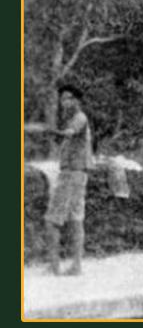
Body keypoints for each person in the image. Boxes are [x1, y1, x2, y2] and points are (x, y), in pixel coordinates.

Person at [44, 83, 94, 275]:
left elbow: (69, 134)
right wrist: (54, 134)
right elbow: (65, 139)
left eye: (68, 98)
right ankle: (76, 266)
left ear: (77, 100)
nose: (64, 102)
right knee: (75, 221)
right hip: (78, 174)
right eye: (62, 98)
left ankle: (54, 266)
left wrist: (52, 131)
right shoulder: (74, 119)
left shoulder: (79, 118)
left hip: (71, 174)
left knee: (52, 221)